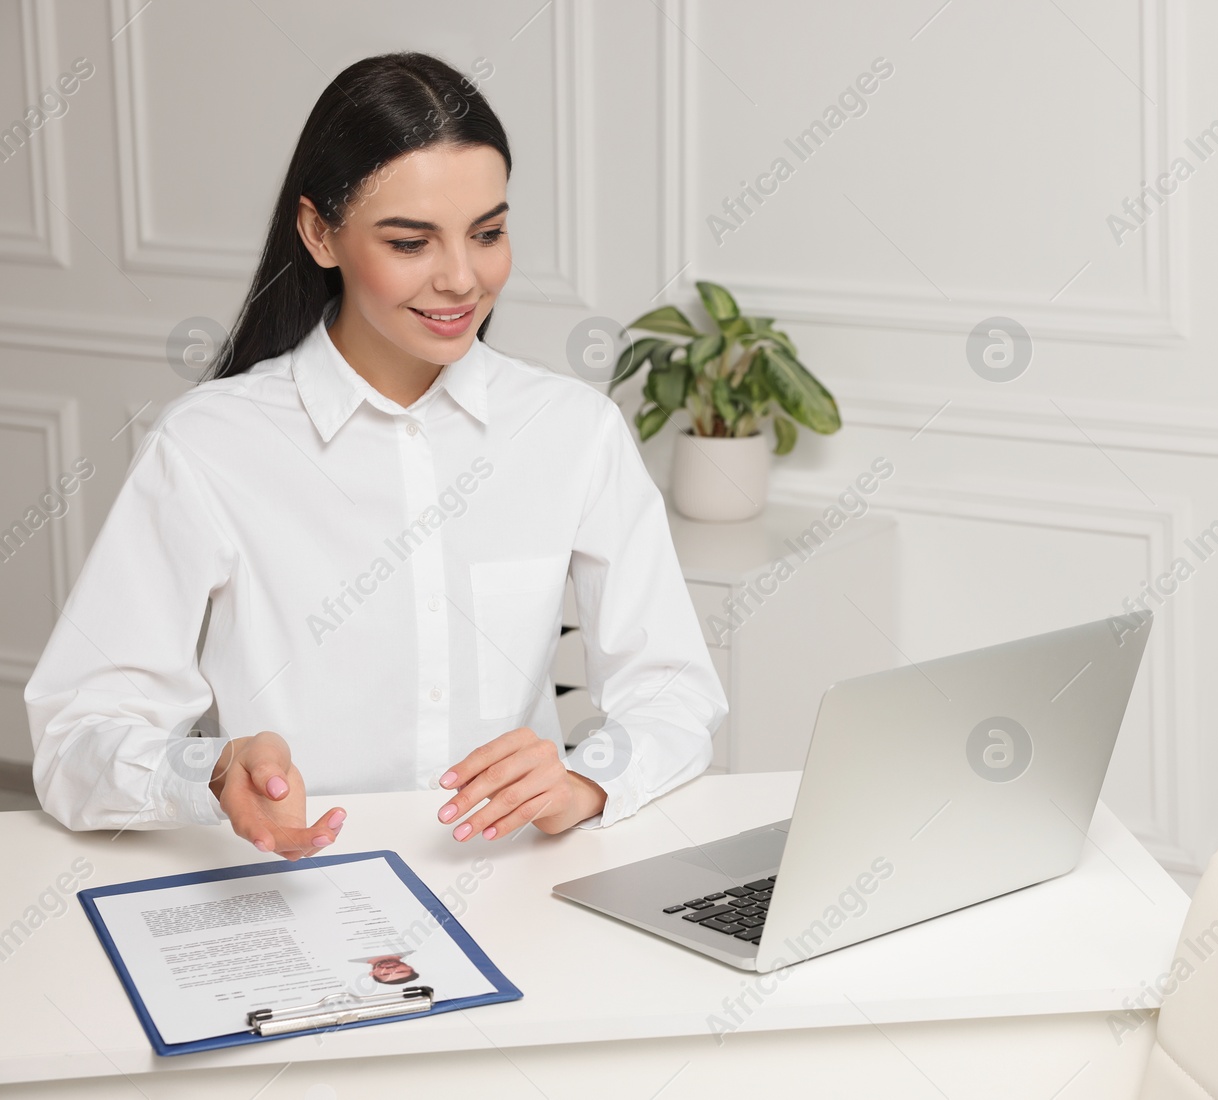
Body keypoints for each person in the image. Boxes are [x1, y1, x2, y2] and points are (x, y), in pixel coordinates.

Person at [25, 53, 726, 859]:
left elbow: (673, 693)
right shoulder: (211, 446)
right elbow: (76, 737)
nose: (462, 278)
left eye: (488, 233)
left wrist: (588, 782)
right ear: (320, 232)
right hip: (289, 890)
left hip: (512, 891)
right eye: (410, 241)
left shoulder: (573, 432)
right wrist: (209, 772)